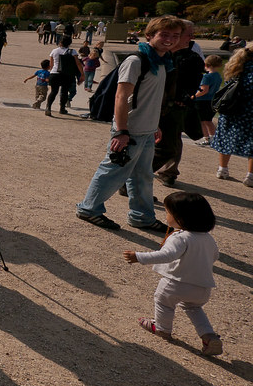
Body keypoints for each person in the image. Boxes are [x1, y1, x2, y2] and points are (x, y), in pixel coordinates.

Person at [75, 15, 185, 232]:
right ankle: (89, 208)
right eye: (164, 34)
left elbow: (149, 99)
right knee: (113, 171)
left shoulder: (162, 62)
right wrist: (121, 131)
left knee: (143, 176)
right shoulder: (137, 61)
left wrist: (155, 125)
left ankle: (142, 216)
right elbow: (121, 96)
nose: (170, 39)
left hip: (145, 130)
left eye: (175, 35)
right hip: (130, 130)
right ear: (150, 35)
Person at [123, 191, 222, 356]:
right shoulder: (207, 238)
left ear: (181, 217)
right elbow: (215, 256)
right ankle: (209, 336)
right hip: (202, 287)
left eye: (168, 212)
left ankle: (162, 328)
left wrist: (139, 257)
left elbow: (167, 255)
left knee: (163, 302)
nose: (166, 216)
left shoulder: (180, 238)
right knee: (194, 308)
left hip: (176, 283)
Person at [151, 20, 205, 187]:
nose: (191, 37)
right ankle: (134, 177)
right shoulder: (159, 54)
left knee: (169, 146)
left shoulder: (191, 57)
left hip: (172, 107)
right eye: (188, 34)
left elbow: (192, 85)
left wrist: (181, 99)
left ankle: (166, 172)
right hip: (154, 105)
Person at [210, 46, 253, 186]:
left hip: (231, 109)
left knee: (225, 138)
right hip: (250, 111)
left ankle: (222, 169)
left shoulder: (234, 67)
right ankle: (250, 175)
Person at [45, 36, 83, 116]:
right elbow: (78, 63)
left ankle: (48, 108)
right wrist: (82, 74)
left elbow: (51, 65)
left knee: (53, 91)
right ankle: (62, 108)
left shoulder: (54, 51)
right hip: (67, 74)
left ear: (60, 42)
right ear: (69, 43)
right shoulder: (73, 52)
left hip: (55, 73)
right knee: (64, 91)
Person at [193, 54, 224, 146]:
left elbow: (204, 90)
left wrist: (194, 96)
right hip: (212, 100)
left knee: (202, 121)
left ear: (206, 64)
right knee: (209, 120)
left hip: (202, 101)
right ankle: (214, 138)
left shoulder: (206, 77)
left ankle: (206, 138)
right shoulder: (218, 76)